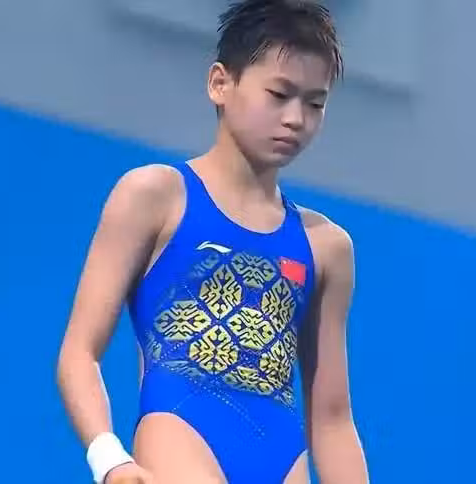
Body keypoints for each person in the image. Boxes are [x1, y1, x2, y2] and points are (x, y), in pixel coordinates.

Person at [56, 1, 368, 482]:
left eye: (314, 103)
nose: (295, 118)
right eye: (279, 94)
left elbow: (332, 419)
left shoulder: (326, 247)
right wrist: (109, 460)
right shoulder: (155, 196)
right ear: (220, 83)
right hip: (182, 431)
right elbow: (79, 353)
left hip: (283, 457)